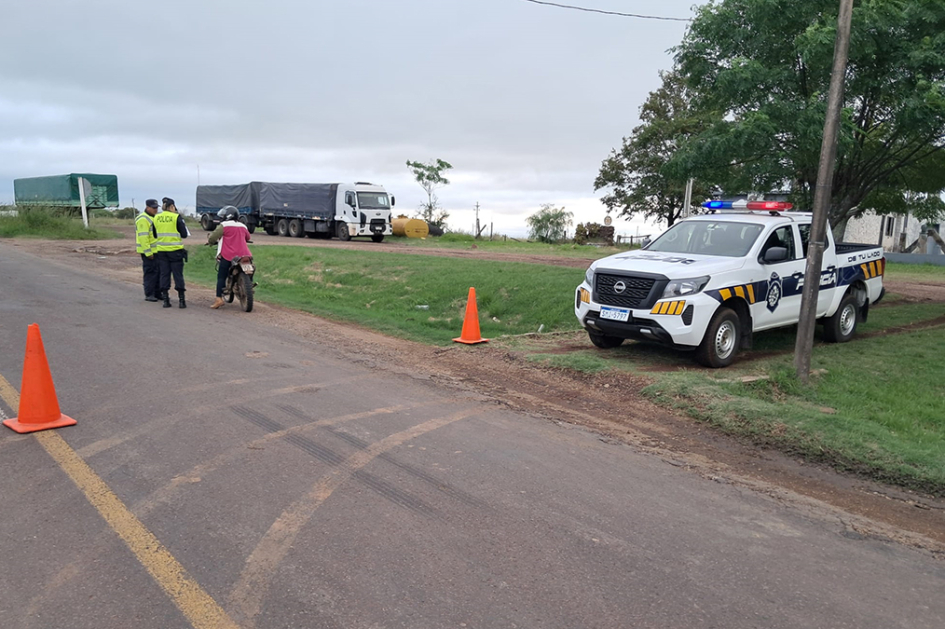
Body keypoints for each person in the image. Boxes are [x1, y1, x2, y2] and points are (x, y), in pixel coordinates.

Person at [207, 205, 252, 309]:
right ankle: (248, 285)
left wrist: (210, 242)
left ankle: (219, 299)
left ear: (227, 216)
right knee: (249, 271)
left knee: (221, 276)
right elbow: (248, 237)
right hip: (244, 255)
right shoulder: (243, 226)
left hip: (228, 255)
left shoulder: (223, 225)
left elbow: (212, 237)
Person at [153, 197, 190, 308]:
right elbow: (184, 234)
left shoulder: (156, 217)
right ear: (172, 206)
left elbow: (154, 235)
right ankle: (181, 301)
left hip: (161, 251)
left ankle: (166, 300)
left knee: (164, 275)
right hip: (175, 251)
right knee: (178, 275)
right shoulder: (176, 217)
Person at [136, 200, 160, 301]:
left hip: (157, 251)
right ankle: (149, 294)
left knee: (158, 273)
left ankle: (157, 293)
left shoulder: (153, 217)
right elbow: (143, 237)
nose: (155, 210)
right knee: (150, 273)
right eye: (153, 208)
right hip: (148, 252)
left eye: (156, 208)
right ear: (147, 207)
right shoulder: (143, 219)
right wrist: (148, 252)